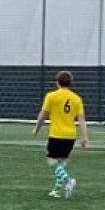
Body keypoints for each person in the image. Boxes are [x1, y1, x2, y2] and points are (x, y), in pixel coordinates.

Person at [34, 70, 88, 200]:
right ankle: (56, 191)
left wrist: (36, 128)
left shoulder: (51, 96)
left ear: (57, 82)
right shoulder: (77, 98)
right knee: (62, 162)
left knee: (51, 160)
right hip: (70, 135)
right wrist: (84, 137)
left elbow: (43, 114)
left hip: (57, 134)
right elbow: (81, 120)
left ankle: (68, 180)